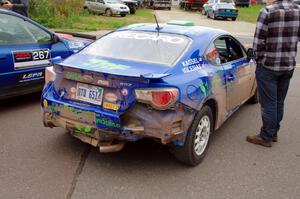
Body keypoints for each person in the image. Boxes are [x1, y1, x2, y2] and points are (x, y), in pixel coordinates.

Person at [247, 0, 300, 147]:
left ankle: (266, 137)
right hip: (288, 66)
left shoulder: (267, 11)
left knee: (269, 103)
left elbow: (258, 42)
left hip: (269, 66)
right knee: (279, 101)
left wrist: (257, 59)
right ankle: (273, 132)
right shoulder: (298, 10)